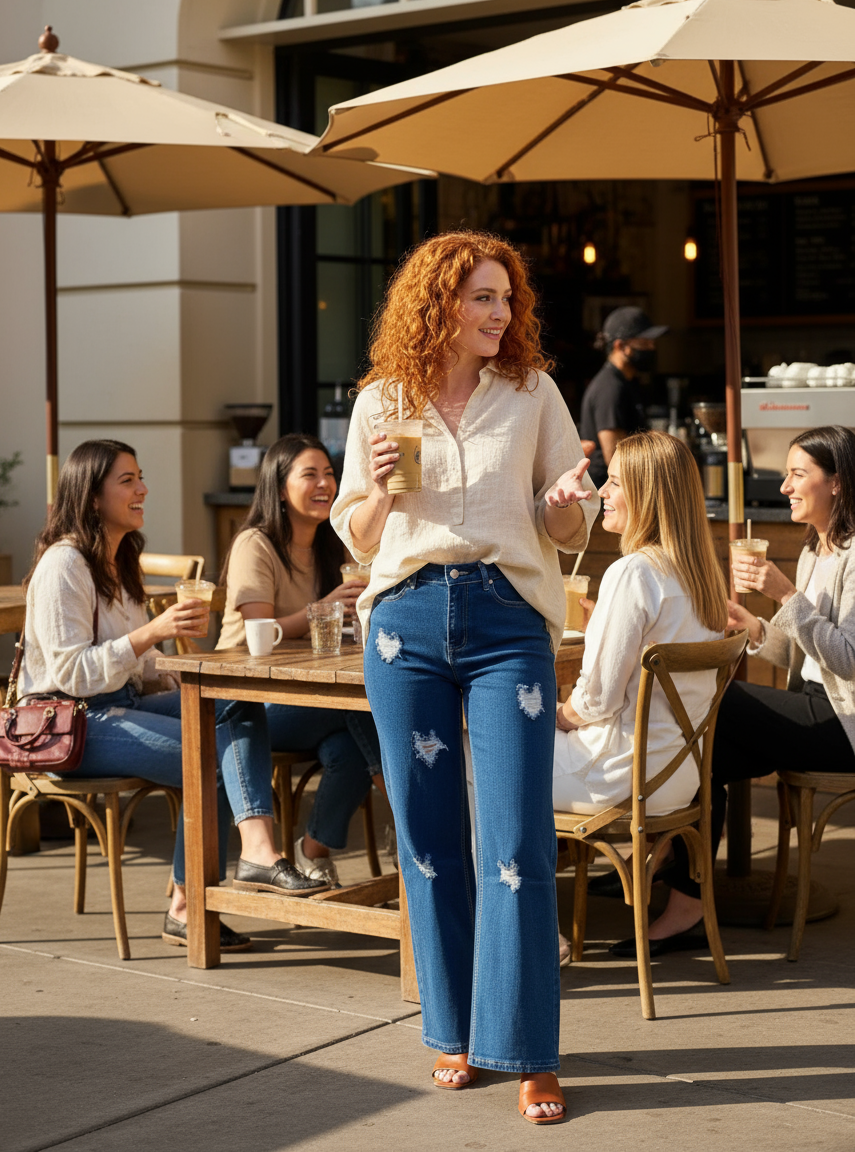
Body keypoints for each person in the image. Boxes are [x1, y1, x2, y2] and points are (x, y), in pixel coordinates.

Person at [332, 229, 599, 1126]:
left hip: (504, 621)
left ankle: (527, 1049)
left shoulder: (532, 394)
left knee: (517, 837)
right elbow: (362, 537)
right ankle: (453, 1030)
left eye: (506, 298)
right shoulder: (383, 401)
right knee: (427, 834)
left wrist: (563, 506)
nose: (501, 313)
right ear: (437, 303)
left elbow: (567, 523)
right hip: (404, 623)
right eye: (482, 297)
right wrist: (373, 488)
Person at [20, 440, 318, 954]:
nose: (143, 490)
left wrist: (181, 670)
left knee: (234, 702)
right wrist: (150, 633)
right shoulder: (63, 565)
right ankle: (187, 905)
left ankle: (256, 851)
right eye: (128, 481)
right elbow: (70, 673)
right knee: (208, 761)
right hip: (73, 723)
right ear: (92, 497)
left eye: (141, 477)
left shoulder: (117, 560)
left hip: (122, 702)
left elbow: (133, 665)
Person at [644, 425, 855, 955]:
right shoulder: (816, 552)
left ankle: (657, 847)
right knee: (705, 756)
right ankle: (686, 895)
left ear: (838, 484)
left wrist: (783, 592)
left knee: (720, 700)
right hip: (814, 706)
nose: (784, 486)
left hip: (842, 723)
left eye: (797, 474)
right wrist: (755, 629)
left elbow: (848, 661)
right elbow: (807, 655)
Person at [550, 433, 729, 951]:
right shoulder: (701, 574)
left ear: (648, 494)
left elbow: (596, 702)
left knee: (479, 760)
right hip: (676, 779)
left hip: (619, 775)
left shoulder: (633, 572)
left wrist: (557, 715)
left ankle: (528, 929)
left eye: (615, 482)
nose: (603, 491)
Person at [216, 434, 386, 887]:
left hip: (313, 696)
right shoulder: (256, 543)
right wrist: (326, 608)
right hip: (252, 703)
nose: (324, 484)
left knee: (350, 747)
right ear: (278, 486)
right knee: (362, 714)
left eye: (329, 474)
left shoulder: (334, 545)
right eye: (309, 475)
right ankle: (410, 819)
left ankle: (312, 850)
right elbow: (259, 629)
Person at [579, 306, 668, 489]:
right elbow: (615, 456)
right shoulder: (610, 388)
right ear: (621, 346)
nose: (652, 348)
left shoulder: (629, 381)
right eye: (645, 343)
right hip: (608, 498)